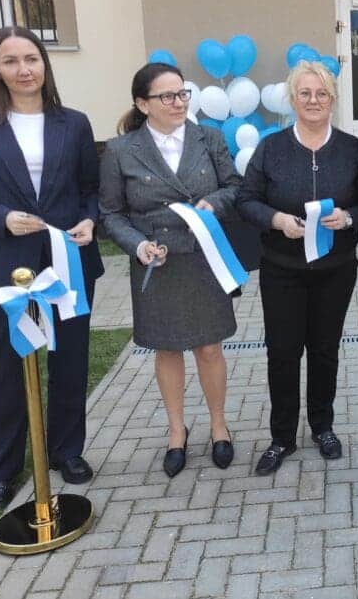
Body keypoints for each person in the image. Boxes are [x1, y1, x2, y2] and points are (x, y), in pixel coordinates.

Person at [0, 26, 105, 508]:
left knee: (70, 358)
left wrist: (90, 220)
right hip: (8, 265)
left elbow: (90, 189)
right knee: (8, 364)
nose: (24, 70)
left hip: (68, 259)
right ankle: (0, 469)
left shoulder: (73, 123)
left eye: (31, 58)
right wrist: (0, 217)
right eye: (11, 61)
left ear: (44, 63)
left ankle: (66, 451)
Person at [236, 62, 358, 475]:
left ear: (332, 100)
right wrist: (276, 219)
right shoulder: (271, 148)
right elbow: (246, 199)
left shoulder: (352, 149)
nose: (313, 101)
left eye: (321, 94)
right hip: (282, 269)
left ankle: (322, 426)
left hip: (336, 269)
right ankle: (282, 436)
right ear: (292, 99)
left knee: (324, 350)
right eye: (305, 93)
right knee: (282, 353)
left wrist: (350, 218)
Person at [99, 63, 240, 476]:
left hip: (202, 258)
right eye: (167, 96)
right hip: (156, 262)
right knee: (167, 348)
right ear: (143, 104)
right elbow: (111, 213)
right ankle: (176, 431)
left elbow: (234, 185)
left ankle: (219, 426)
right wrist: (138, 245)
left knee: (210, 347)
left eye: (182, 93)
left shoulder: (208, 138)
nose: (178, 102)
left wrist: (215, 203)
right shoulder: (120, 150)